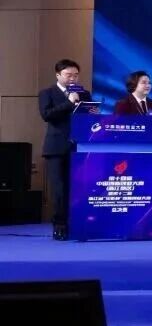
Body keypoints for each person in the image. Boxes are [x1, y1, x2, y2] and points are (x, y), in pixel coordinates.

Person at [38, 59, 93, 240]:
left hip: (79, 147)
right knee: (59, 189)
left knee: (77, 187)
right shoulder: (47, 93)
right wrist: (69, 103)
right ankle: (59, 225)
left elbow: (89, 119)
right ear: (58, 75)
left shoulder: (84, 94)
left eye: (76, 75)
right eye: (68, 75)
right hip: (56, 148)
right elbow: (47, 115)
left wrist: (93, 113)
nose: (72, 79)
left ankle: (77, 223)